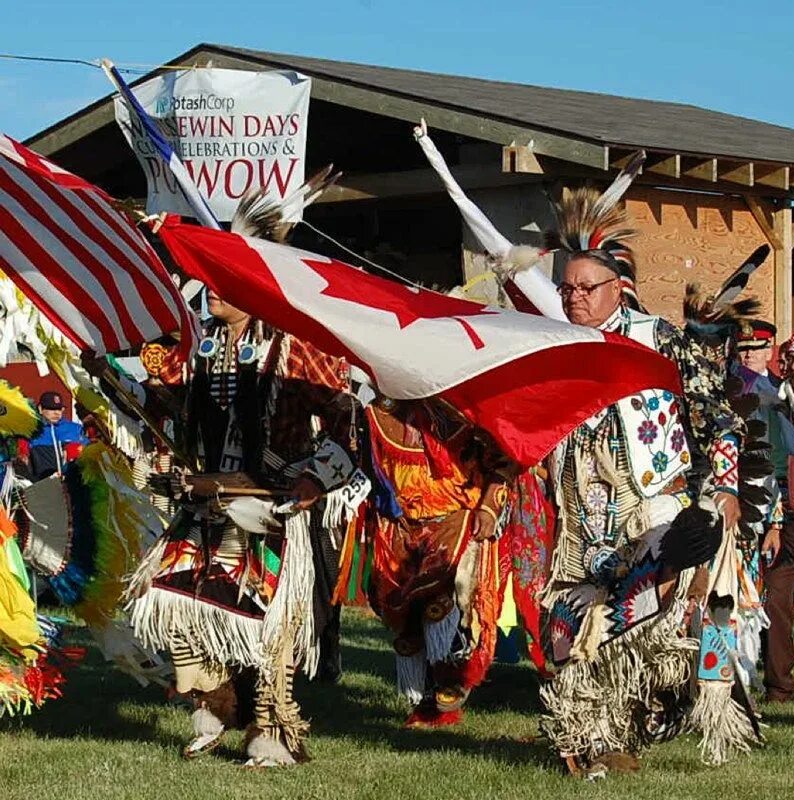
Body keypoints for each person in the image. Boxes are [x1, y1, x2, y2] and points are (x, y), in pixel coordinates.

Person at [534, 161, 751, 775]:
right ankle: (591, 739)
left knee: (643, 624)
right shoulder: (551, 348)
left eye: (587, 288)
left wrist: (723, 490)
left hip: (653, 509)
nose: (574, 298)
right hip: (579, 521)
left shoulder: (657, 340)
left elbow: (718, 417)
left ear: (618, 287)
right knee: (572, 632)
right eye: (567, 289)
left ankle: (631, 728)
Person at [127, 290, 360, 767]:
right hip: (206, 501)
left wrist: (314, 477)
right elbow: (166, 399)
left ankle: (271, 731)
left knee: (269, 628)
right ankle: (215, 702)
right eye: (207, 279)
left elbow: (346, 417)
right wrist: (120, 388)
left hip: (270, 506)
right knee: (175, 601)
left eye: (223, 280)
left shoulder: (296, 347)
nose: (211, 288)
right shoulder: (199, 344)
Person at [364, 396, 516, 726]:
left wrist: (490, 507)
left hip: (457, 516)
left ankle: (449, 684)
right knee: (407, 618)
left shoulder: (471, 404)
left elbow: (507, 458)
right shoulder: (381, 412)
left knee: (442, 605)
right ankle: (427, 698)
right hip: (402, 523)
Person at [762, 329, 794, 701]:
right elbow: (773, 460)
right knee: (776, 598)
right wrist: (774, 520)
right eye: (790, 359)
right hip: (786, 515)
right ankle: (779, 687)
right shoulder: (776, 403)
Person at [22, 391, 87, 481]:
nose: (56, 413)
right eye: (52, 409)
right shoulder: (32, 432)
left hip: (74, 483)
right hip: (45, 484)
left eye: (59, 409)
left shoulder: (75, 429)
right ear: (40, 409)